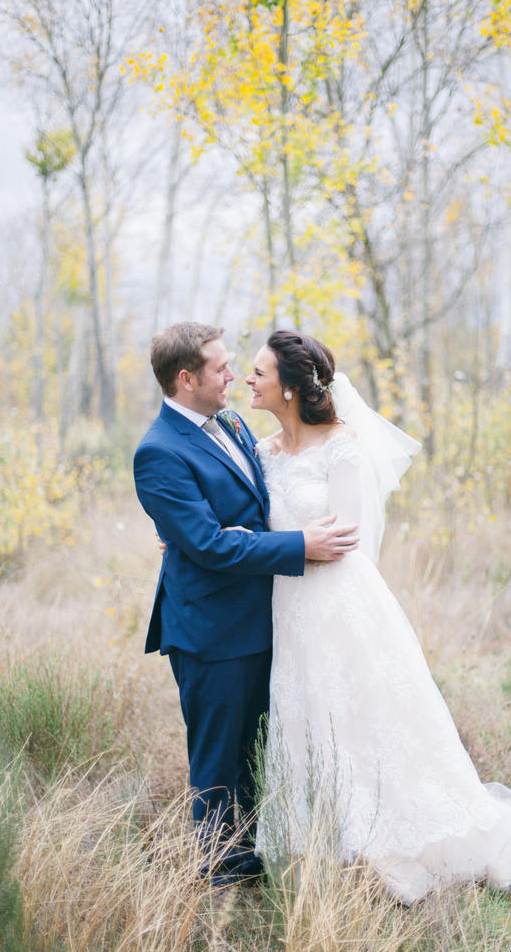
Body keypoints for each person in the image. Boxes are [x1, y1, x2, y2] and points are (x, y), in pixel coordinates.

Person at [246, 329, 511, 905]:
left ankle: (392, 838)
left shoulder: (341, 445)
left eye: (260, 372)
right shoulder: (261, 452)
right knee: (306, 716)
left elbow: (346, 537)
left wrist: (290, 544)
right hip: (287, 604)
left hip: (339, 601)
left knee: (365, 718)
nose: (249, 379)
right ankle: (327, 838)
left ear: (290, 387)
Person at [133, 322, 358, 887]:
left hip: (264, 619)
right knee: (218, 765)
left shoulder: (230, 423)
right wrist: (299, 545)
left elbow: (257, 505)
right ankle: (224, 882)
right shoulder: (157, 452)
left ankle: (255, 852)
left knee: (258, 751)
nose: (233, 375)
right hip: (210, 632)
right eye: (220, 368)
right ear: (186, 379)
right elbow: (208, 542)